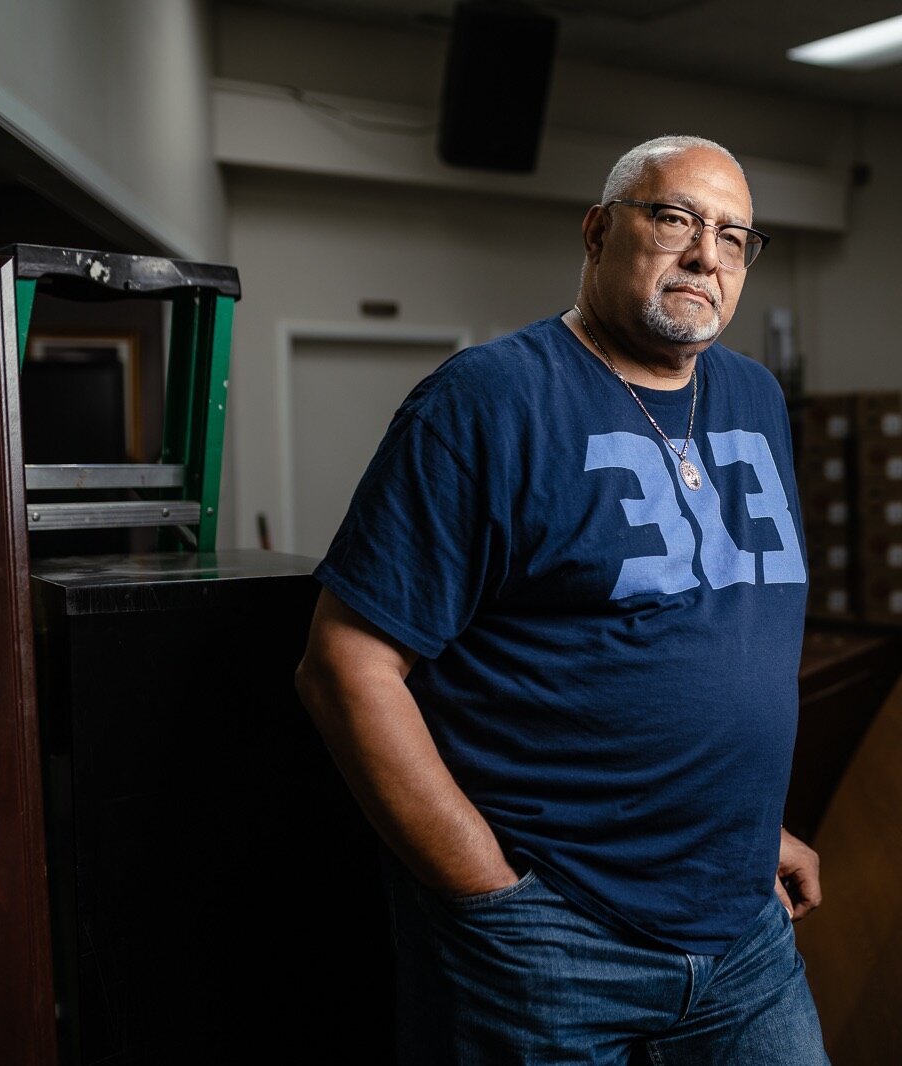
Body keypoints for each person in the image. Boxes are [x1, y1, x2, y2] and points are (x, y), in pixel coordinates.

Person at [295, 134, 828, 1065]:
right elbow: (345, 665)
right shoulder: (486, 401)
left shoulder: (753, 397)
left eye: (734, 235)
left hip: (743, 932)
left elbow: (712, 621)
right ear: (596, 232)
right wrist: (483, 891)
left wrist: (743, 824)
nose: (707, 253)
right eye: (675, 219)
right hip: (554, 937)